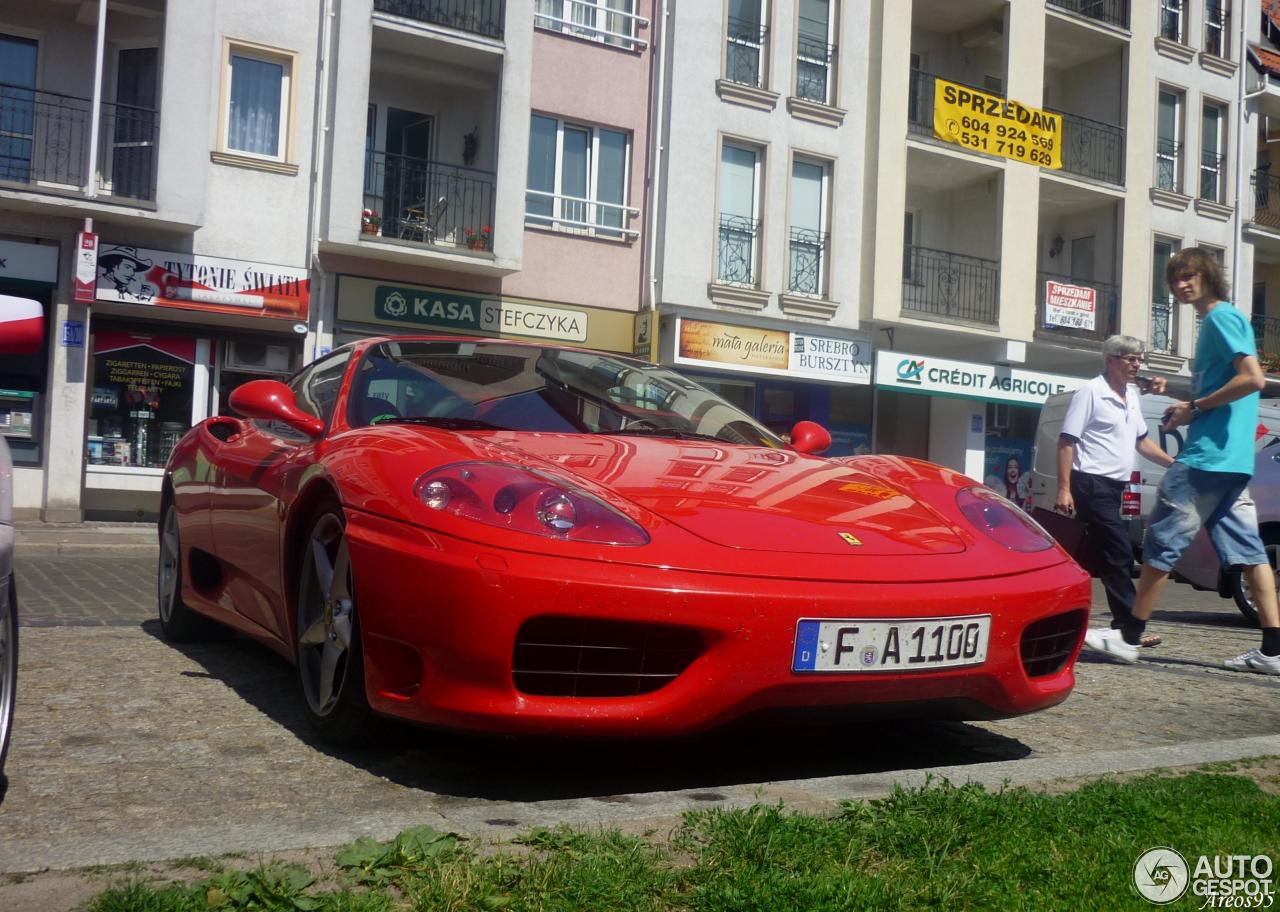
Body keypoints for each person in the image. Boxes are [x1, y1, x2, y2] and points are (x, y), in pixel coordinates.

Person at [1083, 248, 1280, 674]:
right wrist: (1173, 391)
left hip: (1206, 457)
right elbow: (1221, 385)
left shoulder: (1220, 318)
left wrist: (1195, 408)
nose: (1180, 285)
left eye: (1188, 275)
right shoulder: (1224, 321)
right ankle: (1273, 652)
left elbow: (1252, 379)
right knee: (1250, 554)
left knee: (1159, 540)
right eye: (1174, 279)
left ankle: (1129, 637)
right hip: (1233, 462)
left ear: (1207, 275)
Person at [1056, 335, 1173, 646]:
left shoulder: (1131, 396)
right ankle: (1128, 627)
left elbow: (1142, 443)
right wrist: (1064, 489)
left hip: (1115, 486)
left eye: (1139, 358)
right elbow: (1067, 441)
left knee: (1096, 557)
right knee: (1119, 551)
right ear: (1111, 360)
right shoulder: (1090, 392)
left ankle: (1065, 615)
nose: (1137, 364)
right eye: (1130, 358)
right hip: (1090, 483)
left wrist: (1175, 464)